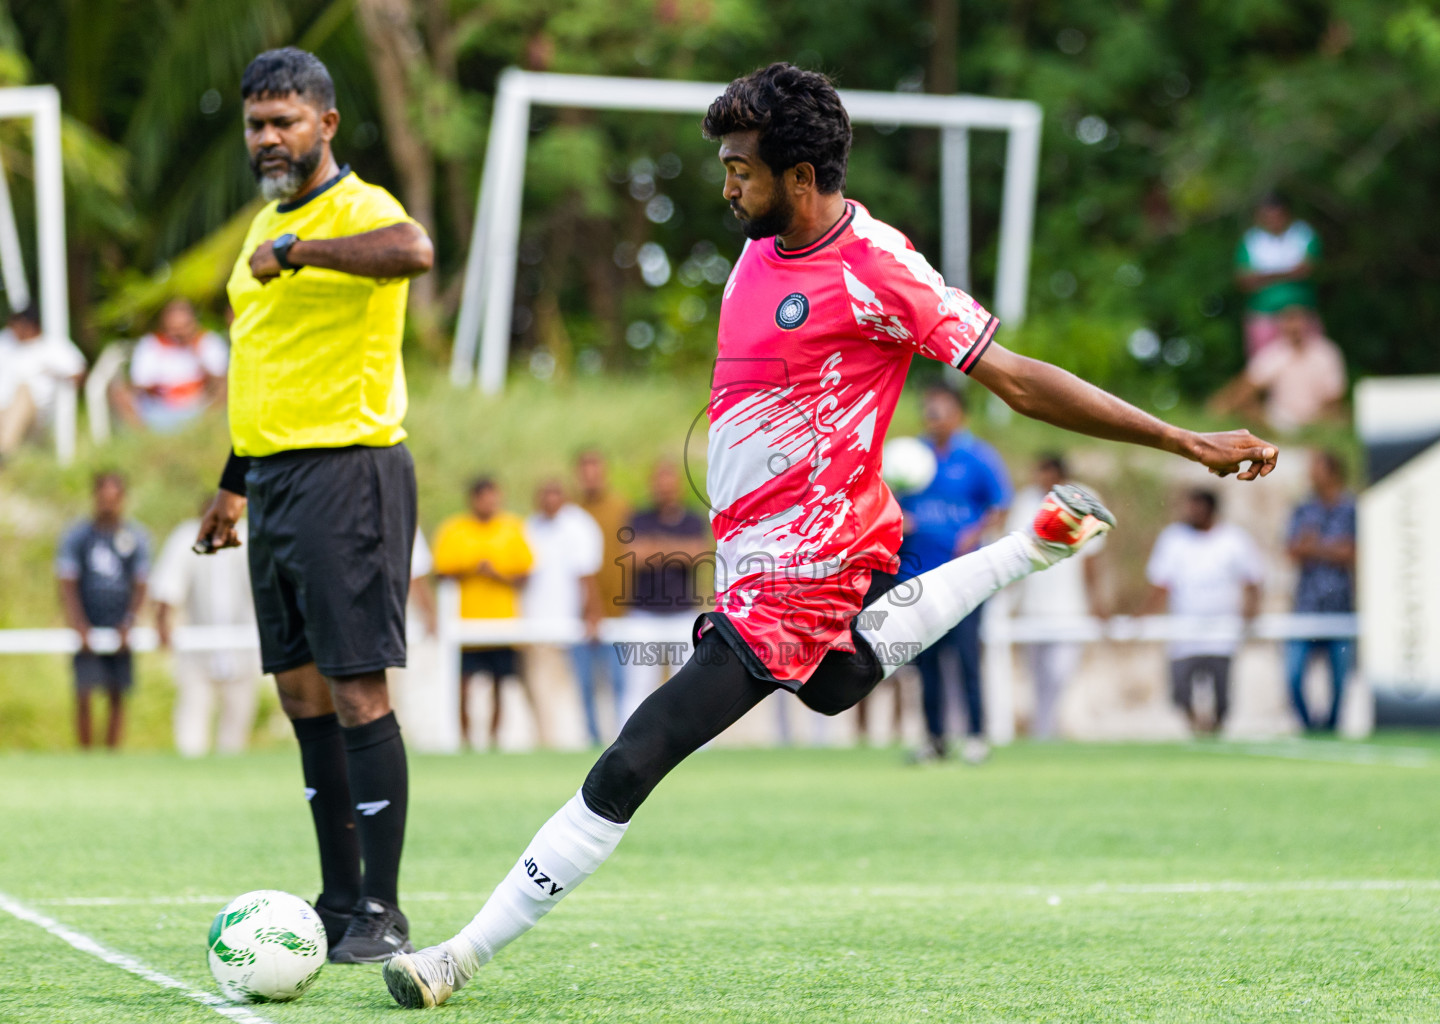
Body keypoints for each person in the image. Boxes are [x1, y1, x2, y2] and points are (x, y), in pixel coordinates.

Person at [382, 63, 1277, 1009]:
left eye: (741, 170)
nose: (728, 188)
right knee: (836, 684)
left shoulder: (879, 268)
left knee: (638, 751)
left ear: (801, 176)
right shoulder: (758, 250)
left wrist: (1184, 440)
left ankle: (457, 956)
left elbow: (1014, 378)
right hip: (752, 561)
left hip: (808, 564)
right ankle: (1033, 546)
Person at [193, 47, 434, 963]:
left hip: (350, 470)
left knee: (355, 685)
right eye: (256, 123)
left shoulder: (358, 209)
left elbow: (414, 251)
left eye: (283, 121)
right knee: (299, 691)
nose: (267, 137)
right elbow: (264, 370)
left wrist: (298, 253)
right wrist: (232, 484)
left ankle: (383, 908)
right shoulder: (263, 223)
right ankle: (337, 901)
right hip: (273, 480)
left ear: (325, 124)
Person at [899, 381, 1011, 764]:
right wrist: (899, 519)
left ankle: (977, 737)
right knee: (926, 663)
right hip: (917, 577)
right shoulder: (910, 456)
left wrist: (974, 533)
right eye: (927, 407)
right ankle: (935, 740)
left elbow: (1000, 505)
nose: (932, 414)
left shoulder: (978, 457)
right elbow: (888, 500)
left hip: (965, 579)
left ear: (959, 412)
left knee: (966, 659)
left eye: (940, 407)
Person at [1144, 489, 1264, 734]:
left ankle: (1215, 731)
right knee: (1181, 691)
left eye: (1196, 507)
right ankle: (1195, 726)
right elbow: (1161, 583)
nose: (1190, 513)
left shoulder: (1233, 539)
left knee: (1221, 696)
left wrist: (1251, 610)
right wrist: (1142, 616)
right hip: (1184, 633)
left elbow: (1253, 578)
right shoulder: (1174, 538)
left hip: (1221, 633)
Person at [1005, 454, 1107, 740]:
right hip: (1032, 607)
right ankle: (1043, 731)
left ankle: (1047, 728)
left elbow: (1091, 559)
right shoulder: (1027, 501)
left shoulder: (1086, 499)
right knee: (1036, 676)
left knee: (1059, 674)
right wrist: (1008, 598)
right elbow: (1015, 551)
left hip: (1070, 608)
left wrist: (1097, 602)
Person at [151, 496, 262, 757]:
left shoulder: (249, 537)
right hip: (197, 652)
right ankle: (191, 778)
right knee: (192, 727)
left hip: (242, 650)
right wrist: (163, 623)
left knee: (236, 732)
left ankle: (232, 778)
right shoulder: (187, 537)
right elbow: (167, 587)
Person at [430, 477, 535, 746]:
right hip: (465, 622)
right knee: (463, 685)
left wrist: (497, 574)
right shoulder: (454, 529)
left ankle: (493, 740)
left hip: (502, 622)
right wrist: (471, 569)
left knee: (500, 685)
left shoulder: (512, 527)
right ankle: (465, 740)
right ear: (473, 499)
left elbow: (526, 574)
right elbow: (440, 571)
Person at [56, 472, 151, 750]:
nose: (108, 505)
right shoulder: (78, 536)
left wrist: (129, 621)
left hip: (120, 622)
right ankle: (86, 757)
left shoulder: (135, 536)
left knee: (118, 693)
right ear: (94, 497)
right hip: (88, 620)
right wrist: (78, 623)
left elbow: (141, 583)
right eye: (103, 498)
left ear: (123, 499)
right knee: (84, 692)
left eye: (114, 498)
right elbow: (67, 582)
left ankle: (112, 756)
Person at [618, 461, 712, 727]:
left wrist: (656, 546)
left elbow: (699, 554)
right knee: (638, 686)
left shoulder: (692, 520)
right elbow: (633, 556)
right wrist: (678, 550)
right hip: (644, 616)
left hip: (682, 614)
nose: (664, 490)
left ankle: (697, 743)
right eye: (660, 484)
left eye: (669, 485)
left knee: (690, 684)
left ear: (678, 487)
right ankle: (630, 740)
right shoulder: (639, 518)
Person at [522, 478, 605, 740]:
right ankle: (546, 744)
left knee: (574, 693)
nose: (549, 500)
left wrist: (592, 614)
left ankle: (575, 743)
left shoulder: (578, 525)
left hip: (571, 626)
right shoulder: (531, 525)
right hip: (536, 625)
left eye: (555, 493)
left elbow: (587, 574)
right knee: (540, 693)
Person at [1285, 451, 1356, 732]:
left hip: (1341, 606)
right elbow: (1292, 550)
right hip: (1306, 606)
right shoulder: (1303, 508)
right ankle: (1308, 725)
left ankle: (1331, 728)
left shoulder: (1352, 509)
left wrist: (1314, 547)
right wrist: (1332, 548)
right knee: (1293, 676)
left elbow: (1352, 553)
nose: (1311, 475)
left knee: (1340, 682)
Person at [1209, 305, 1347, 432]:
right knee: (1249, 408)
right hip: (1279, 420)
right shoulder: (1274, 353)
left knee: (1340, 415)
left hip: (1317, 420)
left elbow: (1334, 398)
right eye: (1289, 319)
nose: (1294, 325)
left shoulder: (1326, 352)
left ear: (1307, 322)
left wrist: (1319, 422)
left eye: (1297, 319)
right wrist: (1221, 407)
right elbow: (1248, 383)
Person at [574, 450, 631, 744]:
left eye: (595, 469)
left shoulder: (622, 508)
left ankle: (623, 739)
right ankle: (592, 740)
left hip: (620, 609)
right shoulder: (572, 511)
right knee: (585, 684)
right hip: (580, 612)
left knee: (620, 683)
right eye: (585, 470)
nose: (591, 477)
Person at [111, 298, 229, 433]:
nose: (179, 333)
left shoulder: (207, 341)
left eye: (184, 327)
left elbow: (219, 380)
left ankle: (207, 429)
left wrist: (195, 350)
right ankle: (147, 438)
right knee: (119, 393)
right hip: (160, 409)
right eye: (174, 329)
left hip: (202, 406)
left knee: (228, 385)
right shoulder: (151, 345)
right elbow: (140, 384)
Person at [1234, 193, 1322, 358]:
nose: (1273, 220)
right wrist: (1288, 272)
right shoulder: (1250, 241)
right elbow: (1244, 281)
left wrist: (1264, 275)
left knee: (1312, 361)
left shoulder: (1303, 234)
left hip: (1302, 313)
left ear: (1287, 213)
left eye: (1277, 215)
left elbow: (1305, 270)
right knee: (1266, 366)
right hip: (1264, 316)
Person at [0, 304, 85, 460]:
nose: (13, 330)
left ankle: (4, 453)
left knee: (23, 392)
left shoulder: (51, 346)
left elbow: (78, 372)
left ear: (30, 326)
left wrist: (57, 376)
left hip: (34, 414)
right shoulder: (6, 342)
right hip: (3, 409)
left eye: (17, 326)